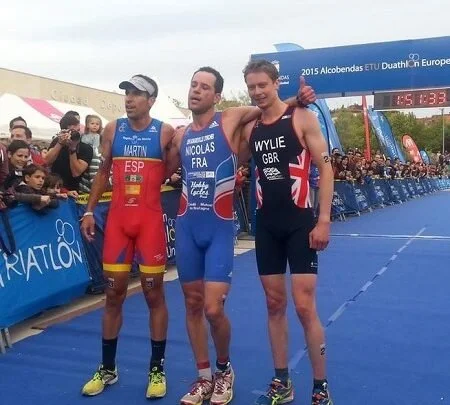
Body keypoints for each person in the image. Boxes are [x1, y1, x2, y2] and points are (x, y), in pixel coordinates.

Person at [165, 66, 315, 405]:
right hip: (187, 226)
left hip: (218, 227)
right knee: (192, 304)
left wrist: (298, 98)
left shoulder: (230, 119)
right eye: (193, 85)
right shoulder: (180, 135)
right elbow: (162, 169)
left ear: (217, 96)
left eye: (204, 87)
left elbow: (269, 106)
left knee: (213, 309)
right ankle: (203, 376)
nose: (196, 90)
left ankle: (224, 370)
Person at [240, 60, 334, 405]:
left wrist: (323, 220)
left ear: (276, 83)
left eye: (263, 85)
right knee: (274, 304)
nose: (257, 92)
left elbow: (326, 169)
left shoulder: (302, 118)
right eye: (251, 86)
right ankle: (282, 381)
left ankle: (320, 386)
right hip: (267, 225)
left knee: (305, 307)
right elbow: (235, 155)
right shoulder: (250, 128)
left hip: (299, 222)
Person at [80, 74, 175, 399]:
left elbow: (172, 169)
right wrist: (89, 211)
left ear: (151, 100)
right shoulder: (112, 129)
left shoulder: (165, 132)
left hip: (149, 224)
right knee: (113, 294)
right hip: (119, 223)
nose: (129, 98)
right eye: (127, 93)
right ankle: (108, 368)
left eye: (137, 94)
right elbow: (103, 171)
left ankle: (157, 369)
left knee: (153, 294)